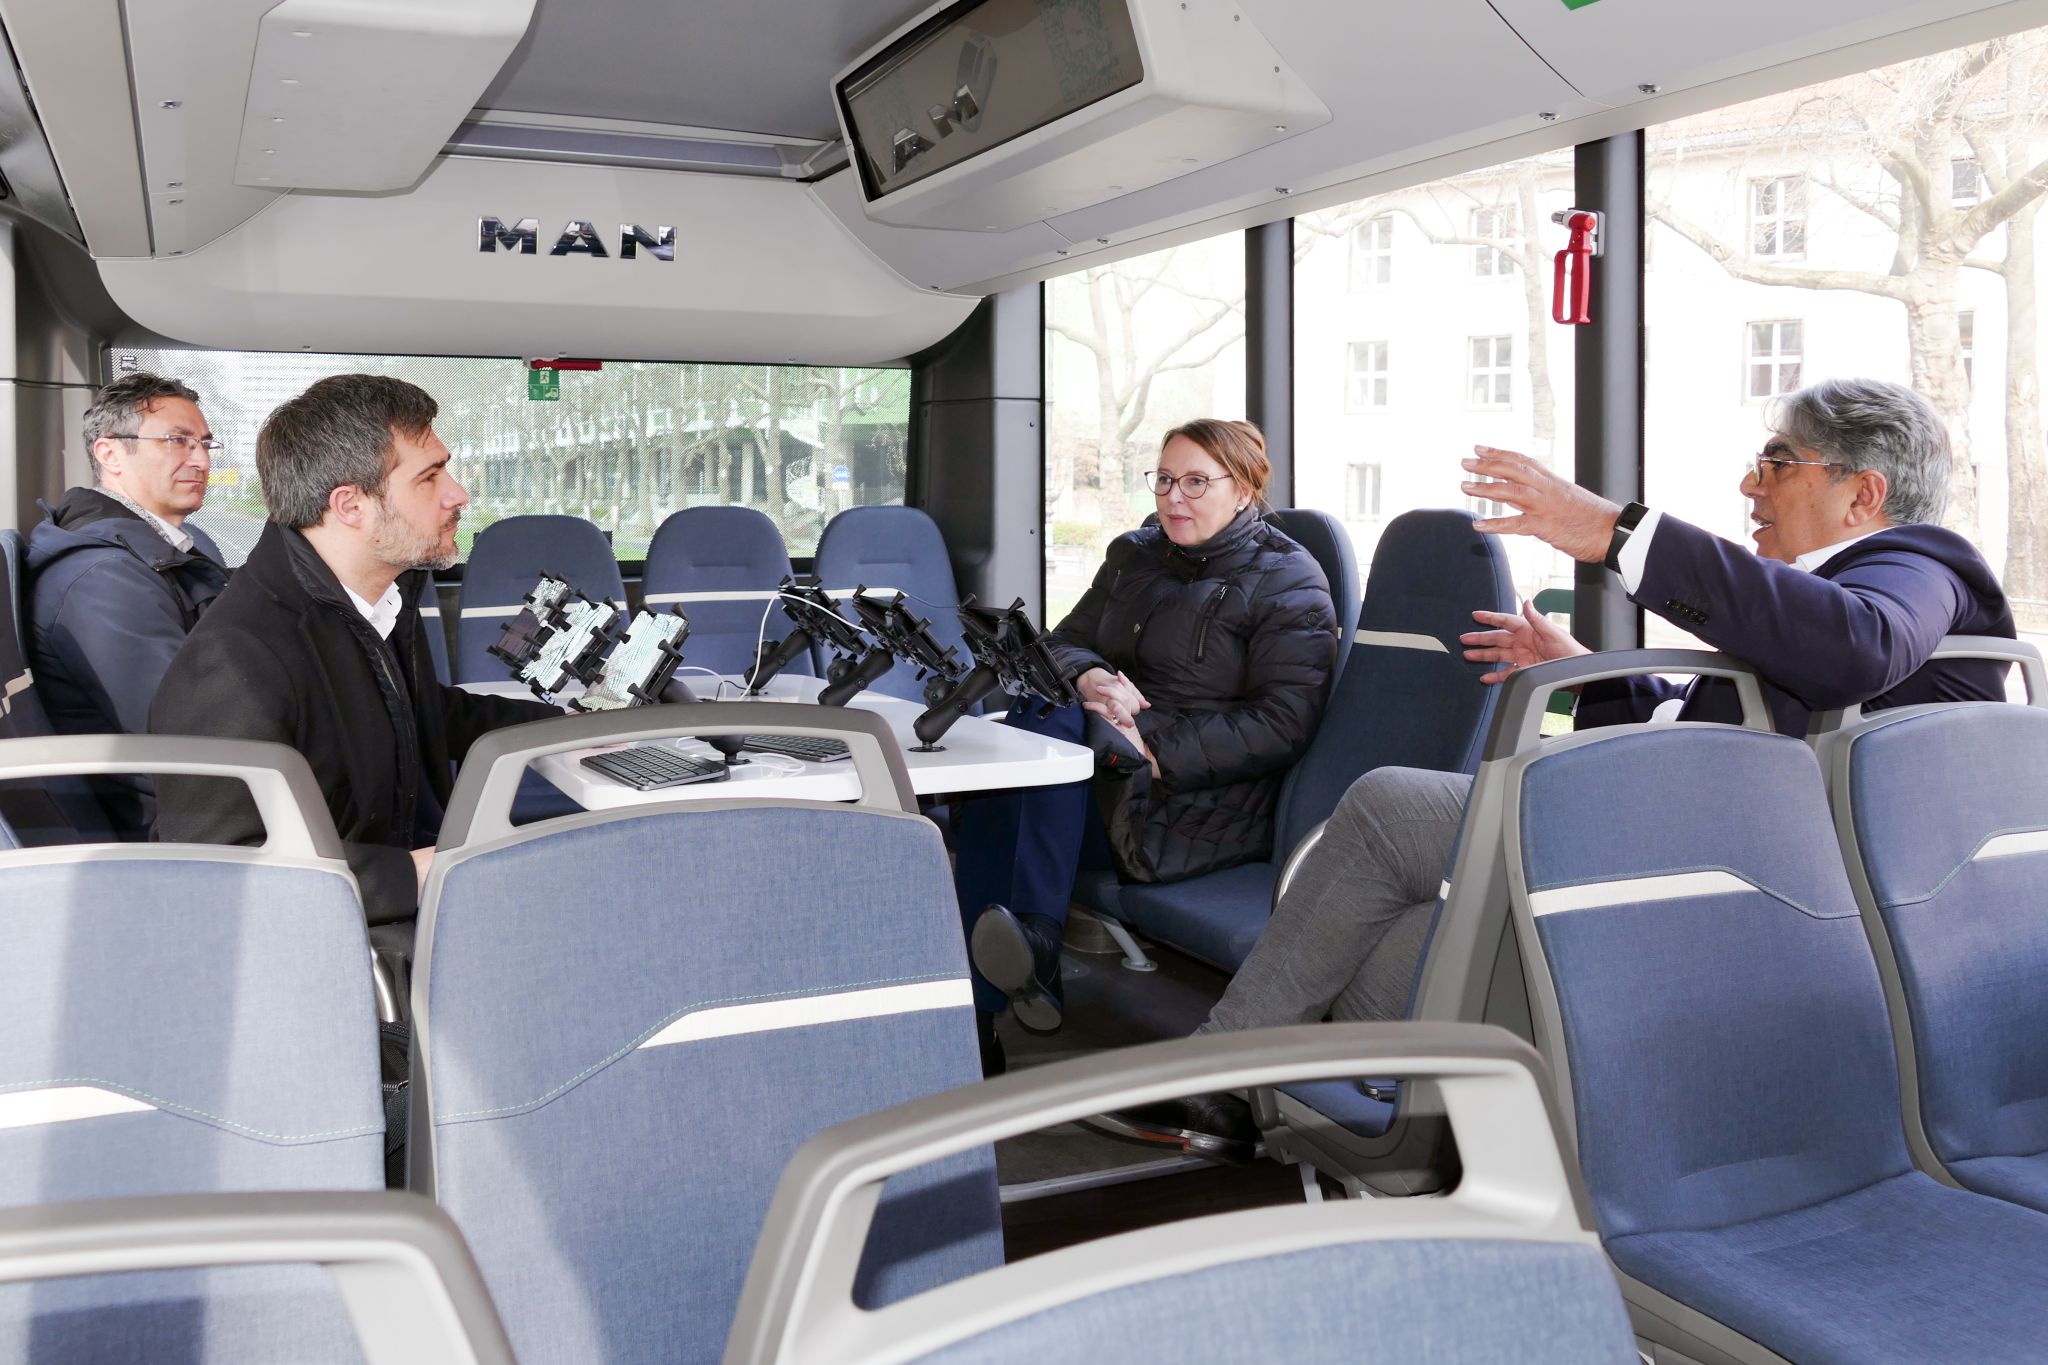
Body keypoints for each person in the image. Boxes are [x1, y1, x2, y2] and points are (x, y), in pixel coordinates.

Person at [1110, 377, 2015, 1158]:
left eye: (1777, 462)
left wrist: (1616, 533)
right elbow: (1721, 721)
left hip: (1731, 885)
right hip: (1690, 859)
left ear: (1863, 494)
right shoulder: (1812, 603)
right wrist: (1581, 669)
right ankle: (1383, 1117)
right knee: (1366, 950)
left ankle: (1227, 1075)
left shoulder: (1922, 567)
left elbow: (1856, 649)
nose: (1750, 484)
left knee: (1388, 807)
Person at [962, 419, 1337, 1069]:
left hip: (1194, 806)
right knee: (1021, 754)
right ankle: (1012, 968)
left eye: (1196, 482)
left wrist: (1151, 741)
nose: (1173, 497)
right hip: (1108, 774)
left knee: (1021, 777)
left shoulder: (1289, 581)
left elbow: (1282, 722)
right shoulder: (1134, 555)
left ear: (1245, 490)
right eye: (1164, 479)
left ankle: (988, 1002)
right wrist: (1091, 675)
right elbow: (1060, 643)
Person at [150, 374, 555, 929]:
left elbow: (422, 714)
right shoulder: (237, 661)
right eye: (430, 477)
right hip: (350, 946)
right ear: (350, 506)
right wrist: (416, 873)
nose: (458, 494)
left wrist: (576, 727)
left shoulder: (376, 603)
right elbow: (219, 875)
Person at [25, 373, 231, 836]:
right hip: (173, 820)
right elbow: (187, 726)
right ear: (109, 453)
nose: (200, 459)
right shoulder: (104, 578)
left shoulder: (177, 546)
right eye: (178, 441)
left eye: (204, 443)